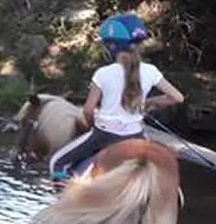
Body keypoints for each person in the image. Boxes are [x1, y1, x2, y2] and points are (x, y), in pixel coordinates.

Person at [47, 12, 184, 180]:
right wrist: (148, 102)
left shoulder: (103, 73)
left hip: (104, 136)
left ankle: (66, 202)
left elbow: (89, 110)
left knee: (57, 162)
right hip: (136, 135)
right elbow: (178, 98)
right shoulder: (151, 71)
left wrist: (92, 125)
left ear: (111, 46)